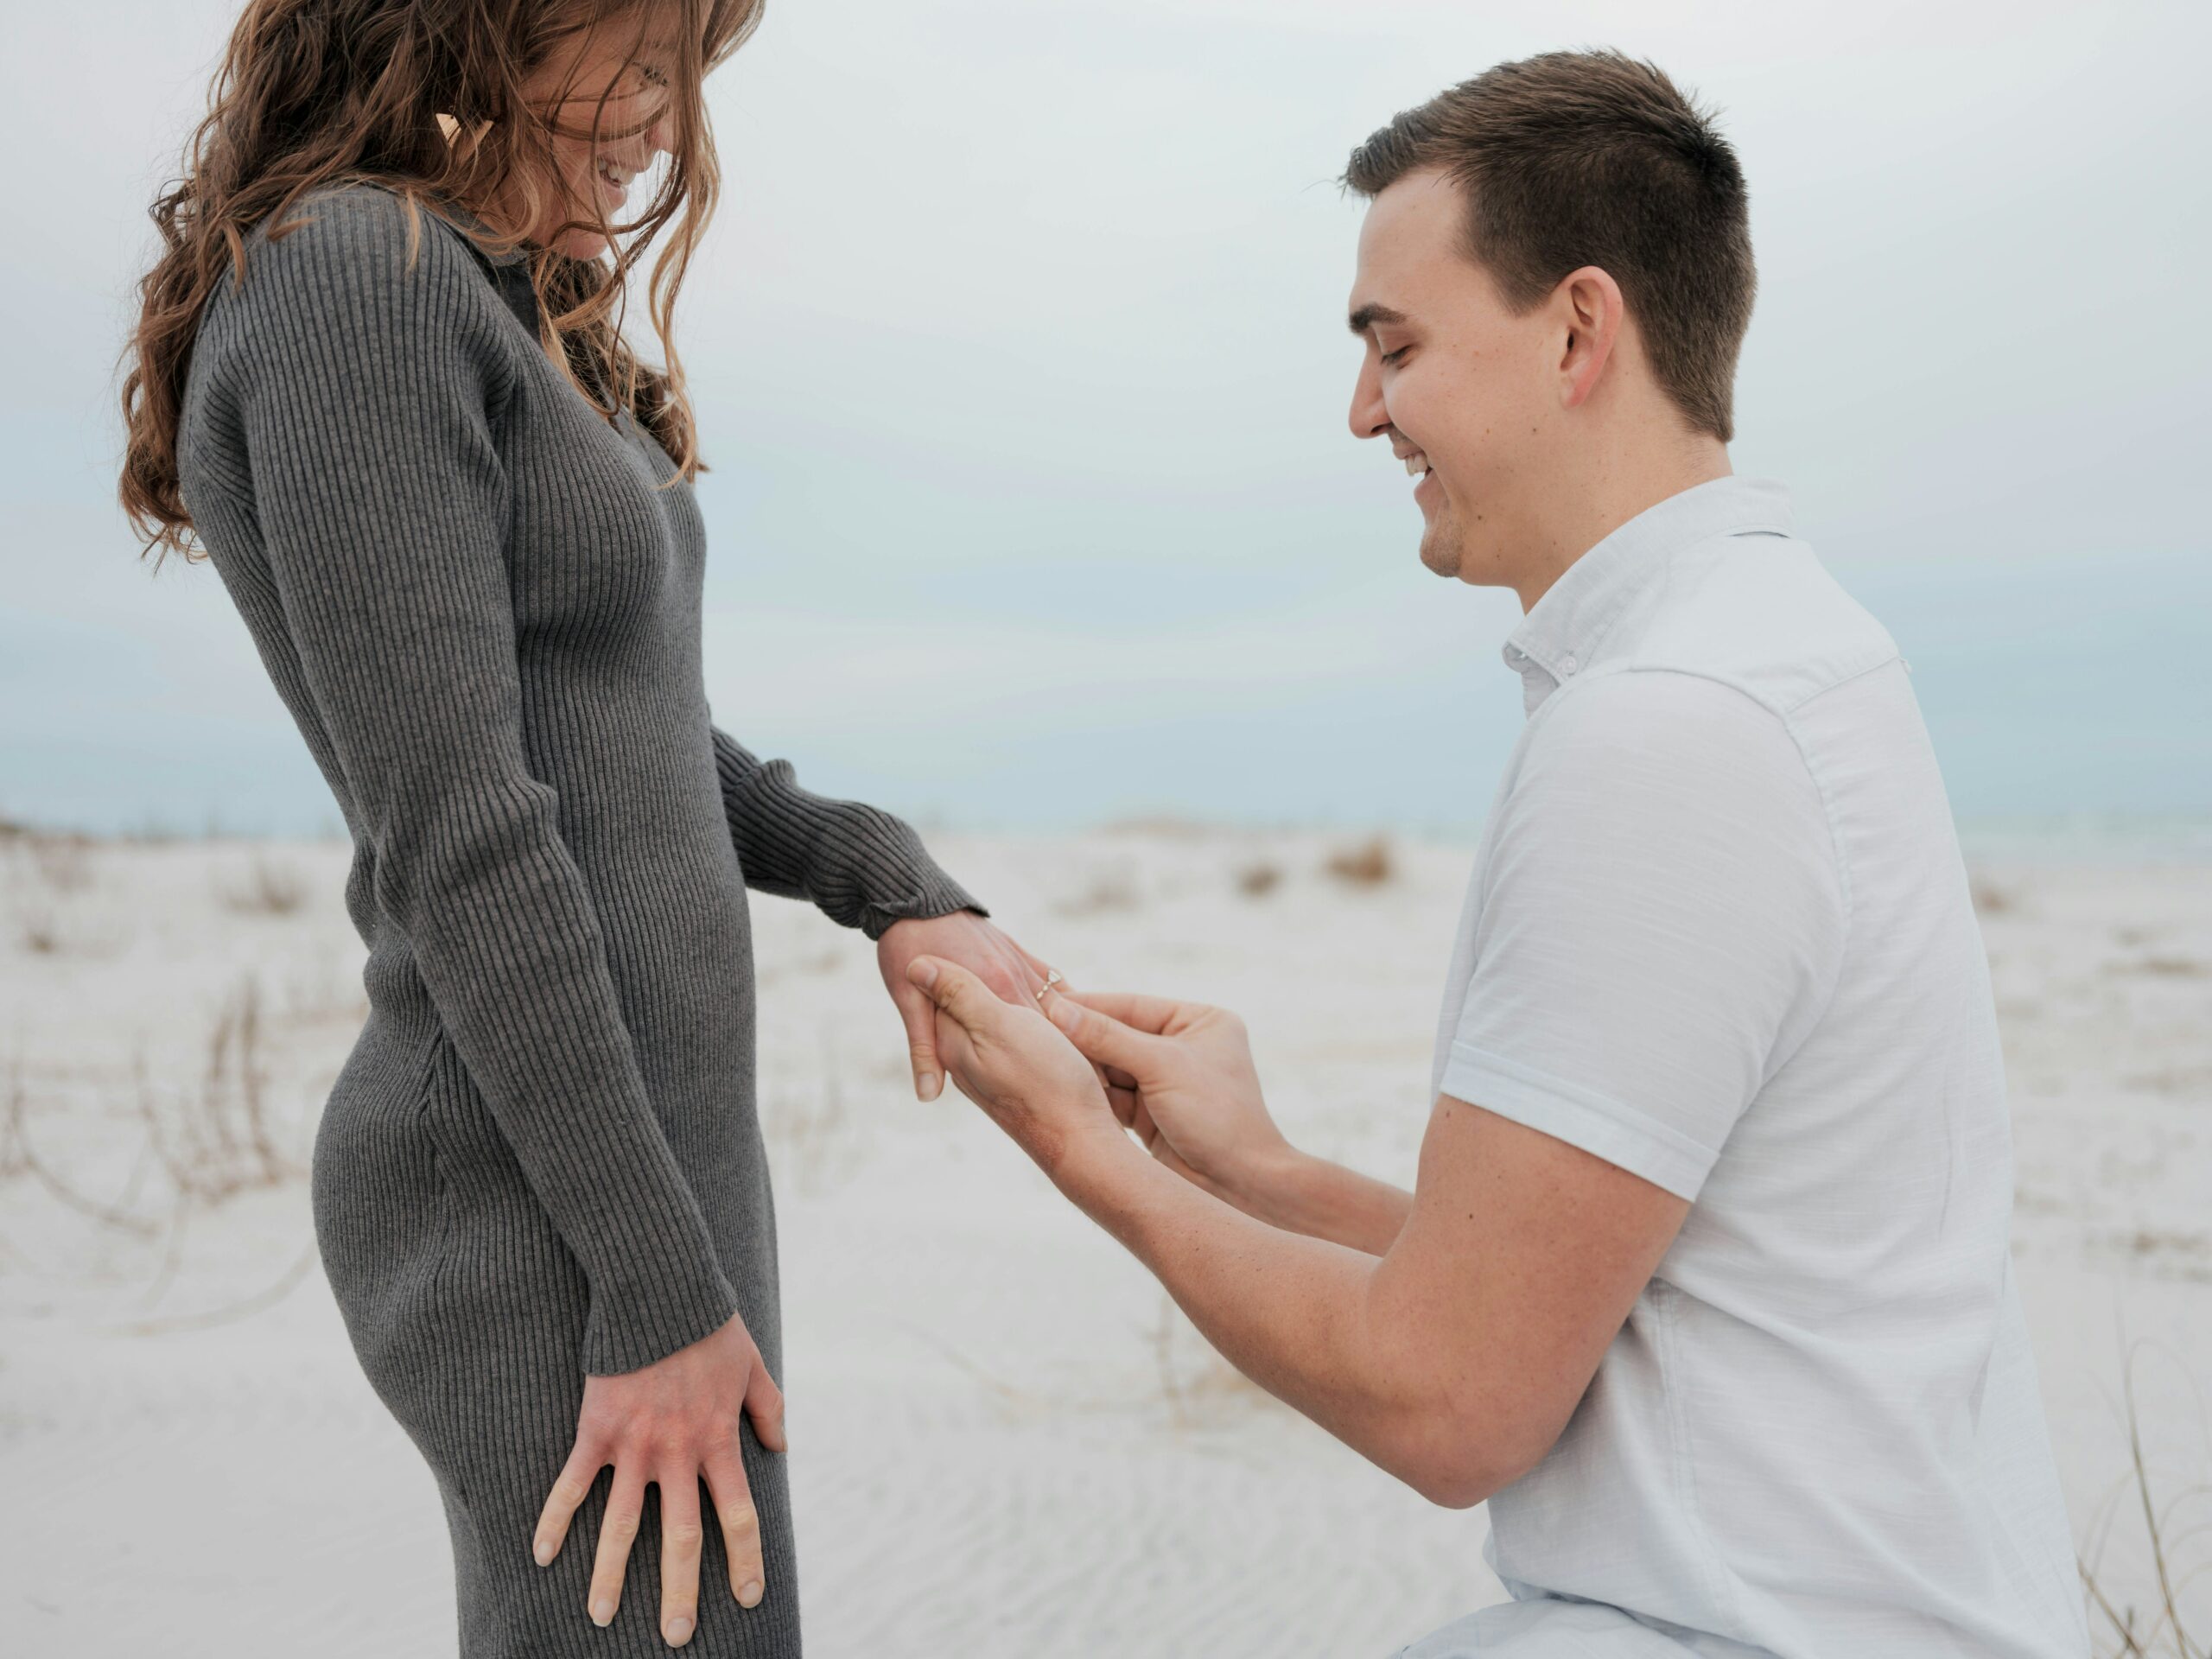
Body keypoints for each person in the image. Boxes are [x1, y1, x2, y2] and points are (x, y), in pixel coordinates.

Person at [909, 49, 2091, 1658]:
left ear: (1580, 332)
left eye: (1394, 346)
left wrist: (1084, 1157)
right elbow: (1584, 1304)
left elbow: (1452, 1400)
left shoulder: (1672, 726)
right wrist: (1249, 1169)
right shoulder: (1771, 651)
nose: (1360, 410)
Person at [118, 3, 1056, 1652]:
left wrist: (888, 885)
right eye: (646, 54)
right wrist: (648, 1282)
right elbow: (462, 832)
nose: (666, 121)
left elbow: (635, 750)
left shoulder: (493, 304)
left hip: (645, 1171)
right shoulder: (355, 285)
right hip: (536, 1195)